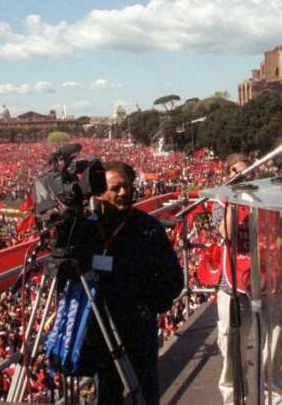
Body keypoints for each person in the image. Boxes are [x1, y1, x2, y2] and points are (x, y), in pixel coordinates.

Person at [85, 161, 184, 405]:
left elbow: (174, 279)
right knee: (107, 394)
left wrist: (148, 306)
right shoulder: (89, 229)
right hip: (102, 328)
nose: (123, 192)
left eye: (126, 187)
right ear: (99, 194)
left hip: (138, 328)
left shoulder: (148, 228)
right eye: (115, 188)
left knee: (145, 391)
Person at [213, 154, 282, 405]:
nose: (244, 177)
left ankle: (274, 394)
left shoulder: (268, 197)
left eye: (248, 172)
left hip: (269, 278)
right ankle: (235, 397)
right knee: (233, 348)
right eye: (237, 173)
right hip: (234, 284)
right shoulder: (221, 198)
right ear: (227, 174)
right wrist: (236, 196)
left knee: (274, 344)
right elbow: (225, 231)